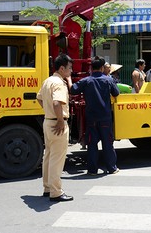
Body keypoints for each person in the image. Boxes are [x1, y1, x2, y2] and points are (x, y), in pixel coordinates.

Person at [70, 56, 120, 176]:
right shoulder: (108, 80)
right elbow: (116, 93)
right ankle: (112, 168)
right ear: (102, 68)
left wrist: (68, 78)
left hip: (91, 118)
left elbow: (73, 90)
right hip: (105, 118)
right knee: (108, 143)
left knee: (92, 144)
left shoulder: (86, 81)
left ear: (91, 68)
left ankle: (92, 170)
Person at [36, 54, 74, 202]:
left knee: (49, 156)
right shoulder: (58, 83)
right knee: (57, 159)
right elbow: (58, 103)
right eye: (69, 68)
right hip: (57, 123)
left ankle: (47, 188)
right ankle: (56, 192)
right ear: (62, 68)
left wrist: (48, 112)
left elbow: (39, 98)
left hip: (48, 122)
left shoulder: (48, 81)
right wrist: (59, 120)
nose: (71, 71)